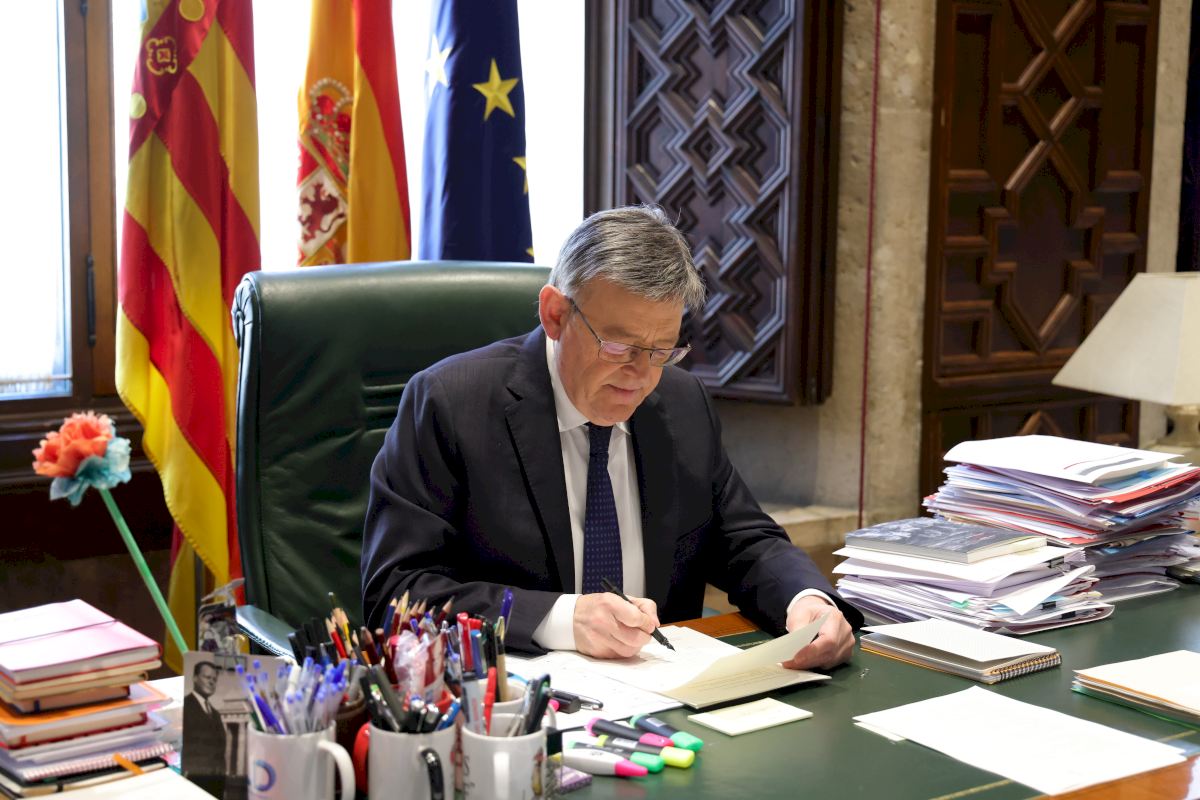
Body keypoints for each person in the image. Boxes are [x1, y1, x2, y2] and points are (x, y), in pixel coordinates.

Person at [361, 205, 862, 669]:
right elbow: (396, 592)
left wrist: (806, 600)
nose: (640, 376)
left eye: (662, 350)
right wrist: (562, 618)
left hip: (664, 695)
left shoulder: (682, 404)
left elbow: (745, 540)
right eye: (619, 346)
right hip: (518, 700)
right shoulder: (452, 404)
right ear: (555, 315)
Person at [182, 660, 228, 779]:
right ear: (195, 678)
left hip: (216, 779)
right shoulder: (184, 706)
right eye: (207, 677)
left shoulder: (216, 714)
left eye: (214, 679)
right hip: (193, 778)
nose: (211, 682)